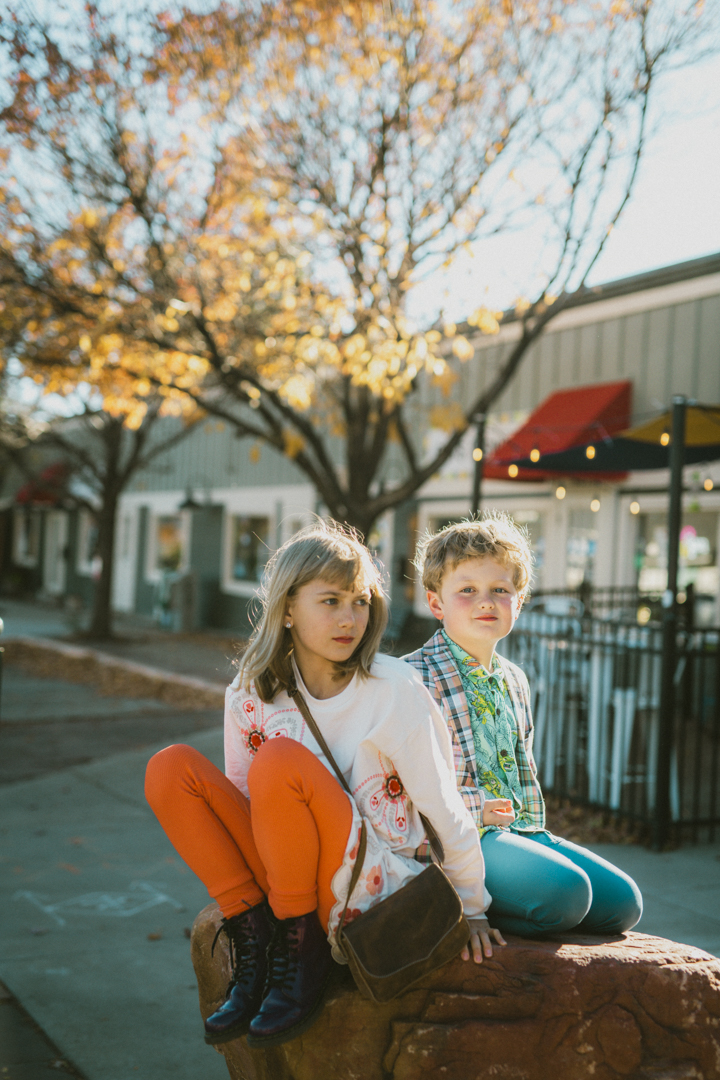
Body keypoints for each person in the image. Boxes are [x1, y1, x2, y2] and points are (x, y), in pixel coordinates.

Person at [145, 522, 502, 1051]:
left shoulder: (392, 688)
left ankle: (303, 949)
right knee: (169, 768)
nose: (348, 618)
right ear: (286, 608)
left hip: (373, 875)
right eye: (330, 600)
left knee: (279, 761)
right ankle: (258, 939)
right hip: (287, 872)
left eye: (360, 601)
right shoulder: (251, 691)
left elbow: (442, 804)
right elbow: (248, 810)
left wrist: (472, 909)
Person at [403, 513, 643, 948]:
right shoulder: (413, 679)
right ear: (436, 603)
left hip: (519, 833)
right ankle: (459, 910)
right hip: (458, 840)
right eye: (467, 591)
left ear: (520, 599)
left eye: (500, 590)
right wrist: (477, 809)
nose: (486, 602)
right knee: (568, 894)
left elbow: (520, 768)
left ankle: (529, 897)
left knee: (623, 905)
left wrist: (532, 834)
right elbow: (404, 789)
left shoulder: (515, 679)